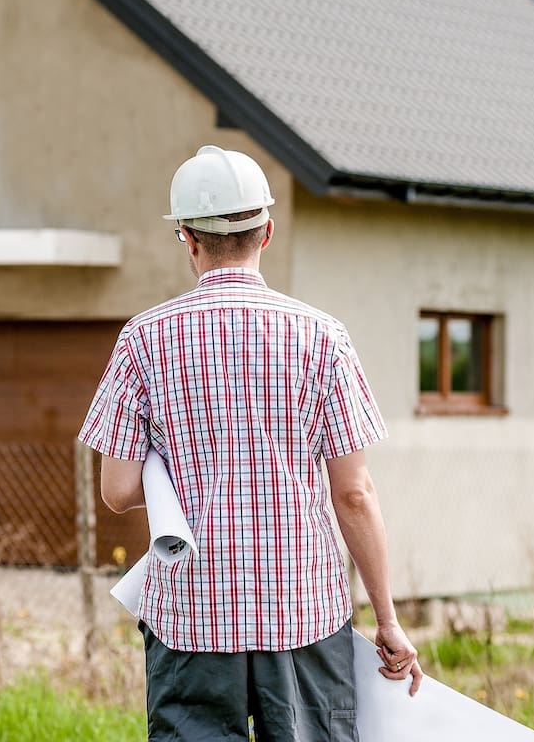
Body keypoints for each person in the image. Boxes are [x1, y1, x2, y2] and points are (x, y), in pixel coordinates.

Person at [78, 145, 422, 741]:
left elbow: (117, 489)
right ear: (267, 231)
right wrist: (387, 620)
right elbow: (356, 494)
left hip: (190, 618)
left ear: (187, 238)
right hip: (303, 614)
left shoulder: (143, 339)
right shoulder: (323, 337)